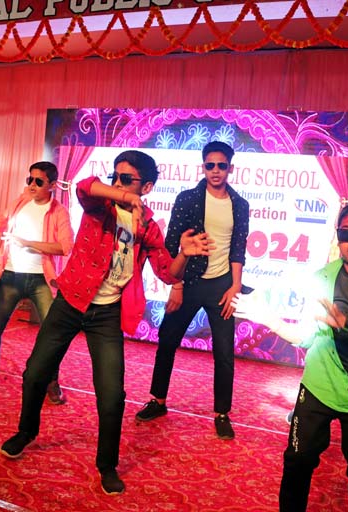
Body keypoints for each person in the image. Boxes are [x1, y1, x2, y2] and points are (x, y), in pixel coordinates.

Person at [0, 150, 210, 495]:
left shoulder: (147, 226)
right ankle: (26, 431)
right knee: (35, 372)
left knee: (112, 395)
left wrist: (184, 254)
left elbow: (167, 273)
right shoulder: (100, 206)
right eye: (116, 176)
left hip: (107, 313)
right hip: (70, 301)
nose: (118, 183)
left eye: (127, 179)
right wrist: (123, 195)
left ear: (148, 187)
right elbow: (85, 186)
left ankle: (107, 465)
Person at [232, 199, 348, 511]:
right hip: (320, 383)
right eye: (345, 233)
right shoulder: (322, 277)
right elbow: (306, 337)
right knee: (297, 460)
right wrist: (269, 320)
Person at [135, 140, 249, 440]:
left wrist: (235, 285)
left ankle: (221, 413)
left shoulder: (240, 205)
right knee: (167, 339)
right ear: (203, 167)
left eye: (221, 165)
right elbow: (172, 245)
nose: (215, 170)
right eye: (210, 165)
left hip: (222, 285)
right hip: (190, 283)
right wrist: (177, 285)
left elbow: (238, 248)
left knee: (224, 352)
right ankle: (158, 400)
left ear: (230, 168)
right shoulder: (188, 199)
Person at [0, 162, 74, 404]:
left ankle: (52, 381)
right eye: (29, 179)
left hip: (41, 279)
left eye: (39, 181)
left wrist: (27, 243)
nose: (32, 185)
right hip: (11, 275)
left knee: (52, 334)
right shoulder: (20, 202)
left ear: (52, 185)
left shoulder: (58, 211)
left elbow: (65, 247)